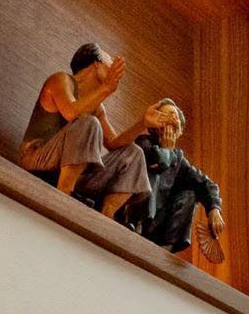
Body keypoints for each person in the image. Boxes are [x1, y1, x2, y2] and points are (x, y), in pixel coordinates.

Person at [16, 42, 153, 220]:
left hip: (73, 169)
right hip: (38, 158)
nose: (113, 68)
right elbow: (71, 112)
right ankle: (63, 195)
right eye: (109, 61)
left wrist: (143, 122)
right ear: (96, 64)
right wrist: (106, 88)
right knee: (89, 123)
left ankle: (107, 216)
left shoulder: (97, 106)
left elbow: (113, 143)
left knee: (133, 153)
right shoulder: (61, 80)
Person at [122, 97, 226, 264]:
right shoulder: (144, 143)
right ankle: (138, 224)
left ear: (180, 131)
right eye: (166, 115)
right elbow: (157, 163)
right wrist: (166, 151)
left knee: (191, 192)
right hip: (137, 213)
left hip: (160, 222)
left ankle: (167, 244)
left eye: (175, 116)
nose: (172, 119)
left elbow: (205, 183)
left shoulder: (179, 160)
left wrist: (214, 208)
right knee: (153, 173)